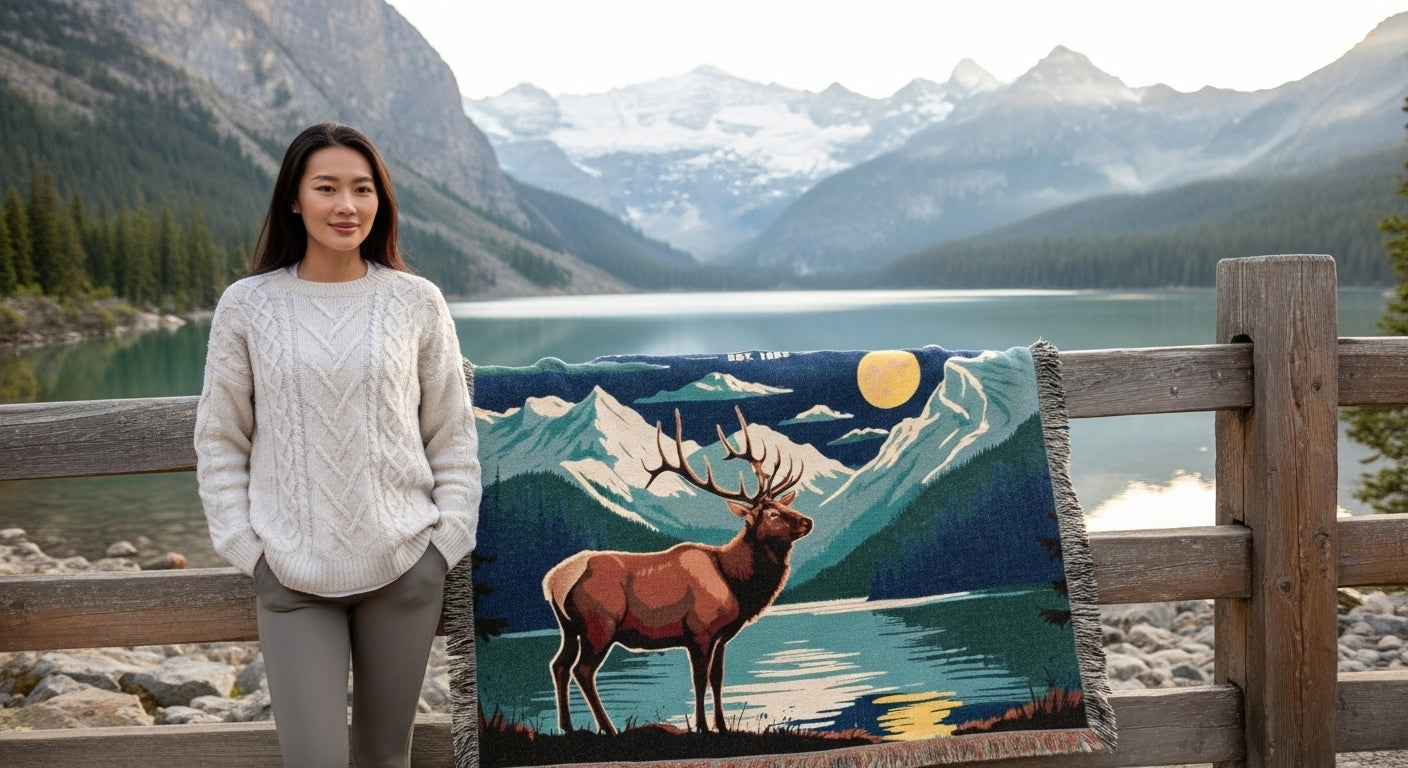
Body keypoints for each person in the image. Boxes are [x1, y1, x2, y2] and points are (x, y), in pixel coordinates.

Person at [194, 122, 481, 767]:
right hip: (292, 575)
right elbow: (219, 438)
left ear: (381, 200)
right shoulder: (248, 305)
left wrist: (443, 546)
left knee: (385, 756)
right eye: (326, 188)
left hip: (405, 569)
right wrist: (249, 550)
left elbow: (451, 433)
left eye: (362, 189)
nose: (346, 205)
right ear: (295, 200)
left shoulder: (415, 301)